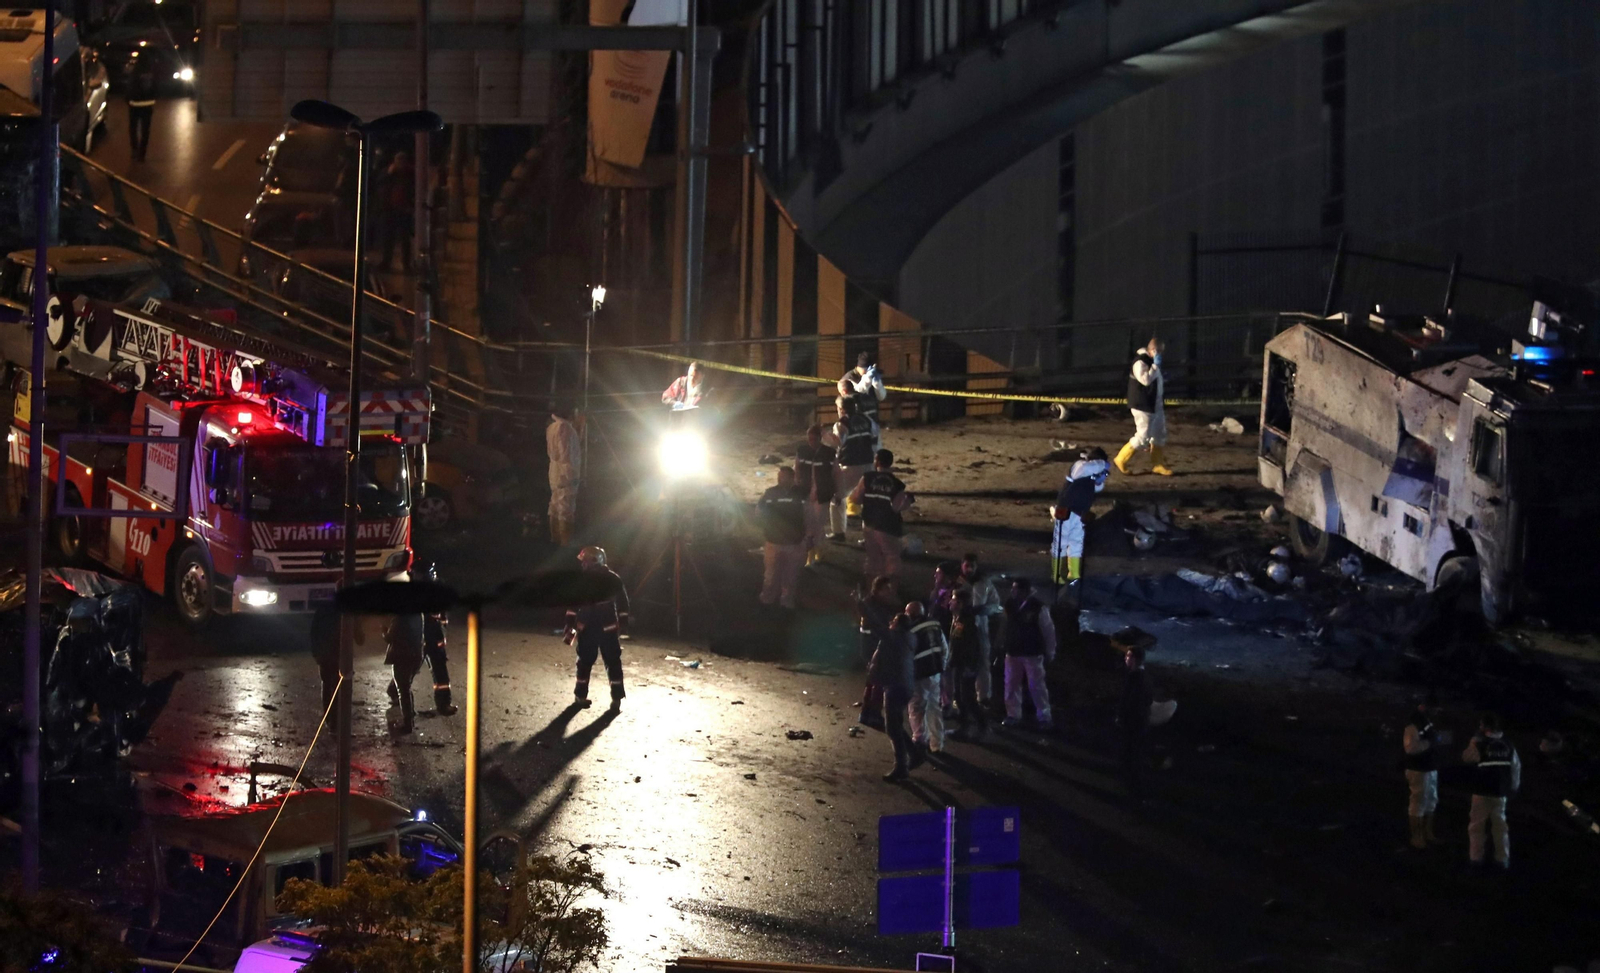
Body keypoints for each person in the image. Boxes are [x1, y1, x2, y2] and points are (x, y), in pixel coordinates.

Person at [565, 546, 631, 709]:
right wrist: (623, 624)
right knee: (612, 662)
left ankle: (580, 697)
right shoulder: (613, 579)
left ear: (594, 561)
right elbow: (624, 603)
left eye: (585, 561)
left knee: (585, 662)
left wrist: (570, 624)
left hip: (589, 628)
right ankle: (616, 700)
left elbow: (573, 605)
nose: (583, 565)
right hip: (606, 627)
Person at [1462, 712, 1520, 869]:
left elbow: (1467, 758)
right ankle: (1502, 859)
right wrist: (1514, 787)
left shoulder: (1479, 743)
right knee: (1500, 827)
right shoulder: (1508, 744)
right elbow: (1515, 767)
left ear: (1485, 727)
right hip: (1500, 792)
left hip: (1481, 790)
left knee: (1476, 826)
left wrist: (1473, 741)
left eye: (1481, 725)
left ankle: (1475, 858)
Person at [871, 608, 923, 782]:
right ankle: (914, 754)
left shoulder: (895, 638)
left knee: (892, 727)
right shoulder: (910, 638)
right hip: (906, 686)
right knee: (896, 724)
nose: (890, 623)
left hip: (895, 686)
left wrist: (861, 604)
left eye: (893, 621)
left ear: (897, 624)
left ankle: (901, 767)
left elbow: (876, 625)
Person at [1001, 577, 1056, 730]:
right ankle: (1013, 714)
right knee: (1011, 684)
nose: (1012, 591)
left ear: (1024, 591)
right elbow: (1006, 625)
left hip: (1032, 653)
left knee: (1036, 685)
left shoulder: (1038, 608)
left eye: (1015, 588)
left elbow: (1048, 631)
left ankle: (1044, 716)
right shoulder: (1010, 604)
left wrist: (1050, 651)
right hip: (1013, 651)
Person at [851, 448, 913, 583]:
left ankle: (872, 589)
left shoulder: (867, 478)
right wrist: (909, 500)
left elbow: (855, 499)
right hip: (888, 527)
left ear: (877, 462)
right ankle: (890, 589)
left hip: (869, 524)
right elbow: (899, 507)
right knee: (892, 558)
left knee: (873, 558)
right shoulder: (897, 484)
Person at [1114, 337, 1173, 477]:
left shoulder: (1150, 360)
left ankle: (1158, 465)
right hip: (1143, 405)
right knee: (1143, 437)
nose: (1161, 355)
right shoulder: (1140, 362)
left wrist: (1161, 377)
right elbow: (1145, 380)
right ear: (1153, 350)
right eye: (1160, 352)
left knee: (1159, 434)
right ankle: (1121, 459)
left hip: (1154, 404)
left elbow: (1153, 379)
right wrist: (1156, 368)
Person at [1051, 446, 1111, 584]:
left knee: (1076, 543)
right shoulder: (1080, 465)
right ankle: (1057, 574)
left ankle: (1074, 574)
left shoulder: (1090, 472)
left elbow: (1096, 487)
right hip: (1066, 509)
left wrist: (1100, 479)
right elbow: (1089, 469)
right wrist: (1104, 465)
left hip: (1079, 512)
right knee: (1061, 542)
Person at [828, 397, 878, 540]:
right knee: (870, 500)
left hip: (851, 465)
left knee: (837, 497)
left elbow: (837, 443)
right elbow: (875, 436)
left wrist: (826, 438)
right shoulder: (867, 420)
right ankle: (871, 536)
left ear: (841, 409)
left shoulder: (841, 424)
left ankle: (839, 532)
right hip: (868, 464)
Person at [757, 466, 807, 609]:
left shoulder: (802, 494)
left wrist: (808, 536)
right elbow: (759, 511)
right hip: (773, 541)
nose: (780, 479)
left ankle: (786, 601)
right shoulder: (770, 493)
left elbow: (809, 515)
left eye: (783, 477)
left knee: (790, 575)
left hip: (794, 543)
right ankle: (767, 598)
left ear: (792, 478)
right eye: (779, 476)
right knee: (771, 575)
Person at [904, 601, 949, 754]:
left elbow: (906, 654)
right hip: (934, 673)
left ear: (910, 614)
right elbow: (944, 649)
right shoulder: (935, 625)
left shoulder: (910, 630)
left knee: (916, 707)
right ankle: (937, 744)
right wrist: (941, 668)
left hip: (919, 675)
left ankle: (919, 740)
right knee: (934, 708)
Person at [1116, 631, 1156, 798]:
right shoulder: (1145, 677)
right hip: (1141, 721)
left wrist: (1121, 717)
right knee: (1136, 754)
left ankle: (1134, 791)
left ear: (1135, 659)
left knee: (1131, 756)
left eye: (1128, 656)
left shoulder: (1135, 678)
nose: (1126, 659)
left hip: (1133, 722)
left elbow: (1129, 701)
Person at [856, 576, 899, 728]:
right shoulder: (870, 605)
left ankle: (866, 713)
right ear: (878, 589)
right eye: (886, 588)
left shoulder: (877, 604)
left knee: (871, 681)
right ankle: (873, 714)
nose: (889, 591)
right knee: (878, 683)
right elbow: (877, 625)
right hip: (873, 647)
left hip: (873, 646)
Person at [947, 589, 989, 741]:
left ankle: (982, 726)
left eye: (953, 600)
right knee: (959, 697)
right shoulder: (958, 618)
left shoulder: (968, 621)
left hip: (966, 665)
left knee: (968, 698)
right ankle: (963, 727)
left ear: (960, 603)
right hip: (959, 664)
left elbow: (972, 646)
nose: (950, 602)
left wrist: (970, 666)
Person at [960, 553, 1002, 704]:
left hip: (983, 624)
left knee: (982, 659)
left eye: (972, 566)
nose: (969, 569)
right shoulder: (965, 581)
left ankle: (983, 696)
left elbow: (977, 607)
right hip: (974, 623)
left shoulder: (981, 583)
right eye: (967, 566)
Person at [418, 562, 457, 716]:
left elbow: (441, 618)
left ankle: (443, 704)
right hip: (424, 639)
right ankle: (395, 691)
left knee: (439, 672)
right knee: (410, 669)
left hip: (431, 639)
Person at [1403, 696, 1442, 849]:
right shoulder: (1413, 726)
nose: (1436, 712)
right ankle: (1417, 837)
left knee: (1431, 801)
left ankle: (1428, 833)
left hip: (1430, 768)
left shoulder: (1427, 724)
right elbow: (1411, 748)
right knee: (1418, 803)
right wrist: (1430, 743)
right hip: (1418, 769)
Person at [795, 424, 836, 566]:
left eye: (814, 439)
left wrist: (836, 492)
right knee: (808, 523)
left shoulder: (829, 453)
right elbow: (797, 469)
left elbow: (834, 473)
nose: (811, 442)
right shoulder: (802, 451)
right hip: (805, 491)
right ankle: (812, 552)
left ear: (820, 438)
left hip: (822, 493)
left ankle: (816, 551)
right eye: (809, 439)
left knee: (818, 523)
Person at [384, 605, 426, 735]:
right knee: (403, 687)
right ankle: (409, 714)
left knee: (403, 690)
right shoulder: (418, 614)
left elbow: (390, 638)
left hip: (402, 656)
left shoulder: (399, 617)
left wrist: (384, 631)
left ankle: (408, 724)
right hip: (416, 655)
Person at [546, 404, 582, 545]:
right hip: (565, 474)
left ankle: (554, 540)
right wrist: (572, 476)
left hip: (555, 472)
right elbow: (567, 454)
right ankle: (565, 544)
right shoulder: (565, 428)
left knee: (555, 505)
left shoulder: (552, 427)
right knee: (566, 508)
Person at [377, 151, 416, 273]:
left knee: (405, 239)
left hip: (404, 209)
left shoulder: (410, 174)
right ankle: (386, 262)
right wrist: (389, 173)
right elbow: (380, 184)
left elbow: (414, 189)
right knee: (388, 237)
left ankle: (406, 264)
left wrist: (411, 205)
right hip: (390, 209)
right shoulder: (389, 173)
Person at [309, 601, 342, 718]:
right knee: (338, 687)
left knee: (327, 686)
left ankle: (329, 717)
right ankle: (336, 717)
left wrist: (316, 653)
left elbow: (314, 633)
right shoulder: (347, 612)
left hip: (325, 656)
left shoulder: (322, 610)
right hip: (340, 656)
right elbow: (360, 638)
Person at [838, 352, 887, 425]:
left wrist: (877, 384)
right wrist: (867, 378)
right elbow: (856, 392)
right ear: (859, 367)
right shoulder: (849, 378)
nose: (867, 371)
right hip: (856, 419)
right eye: (866, 369)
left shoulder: (871, 376)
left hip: (872, 418)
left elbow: (881, 397)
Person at [124, 59, 158, 163]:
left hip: (135, 104)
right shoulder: (151, 73)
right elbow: (157, 87)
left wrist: (127, 100)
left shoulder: (134, 72)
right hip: (148, 104)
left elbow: (129, 87)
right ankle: (142, 153)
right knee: (145, 130)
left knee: (133, 128)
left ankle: (135, 150)